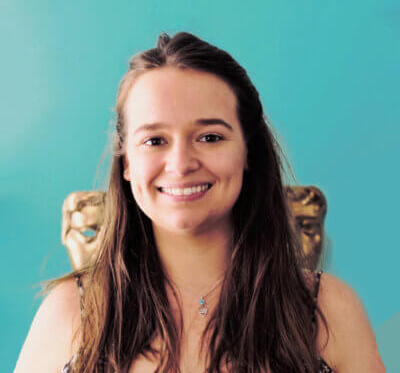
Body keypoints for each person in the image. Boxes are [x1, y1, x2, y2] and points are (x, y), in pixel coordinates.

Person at [14, 32, 385, 373]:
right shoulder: (71, 312)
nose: (181, 164)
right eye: (155, 141)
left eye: (209, 137)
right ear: (126, 162)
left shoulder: (329, 308)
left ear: (248, 151)